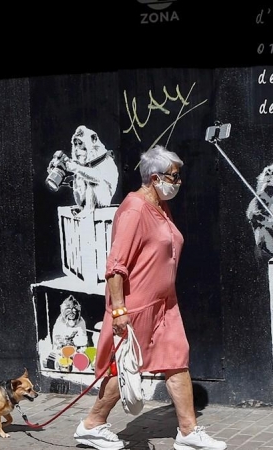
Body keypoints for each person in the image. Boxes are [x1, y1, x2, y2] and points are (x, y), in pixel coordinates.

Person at [73, 145, 226, 450]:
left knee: (176, 359)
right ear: (155, 178)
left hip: (165, 305)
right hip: (137, 306)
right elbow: (115, 265)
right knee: (127, 368)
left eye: (178, 176)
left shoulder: (159, 206)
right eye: (173, 176)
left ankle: (187, 431)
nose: (178, 182)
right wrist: (118, 311)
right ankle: (92, 424)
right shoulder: (135, 209)